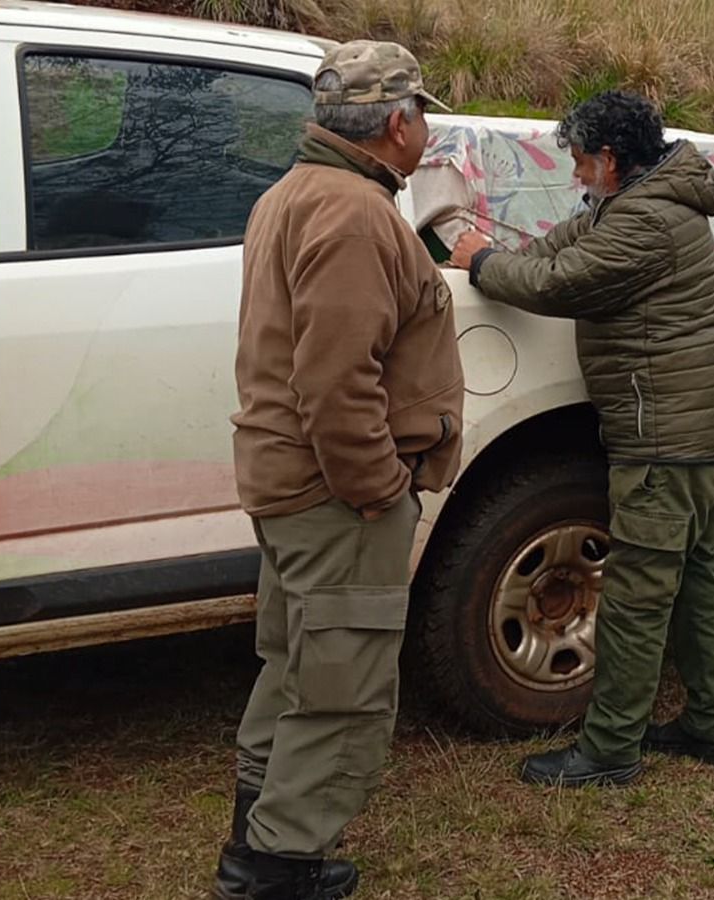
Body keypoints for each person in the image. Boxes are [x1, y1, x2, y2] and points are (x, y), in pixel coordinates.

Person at [214, 40, 463, 900]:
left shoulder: (293, 191)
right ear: (396, 122)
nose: (425, 128)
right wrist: (377, 489)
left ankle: (255, 837)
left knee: (294, 664)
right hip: (334, 494)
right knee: (342, 686)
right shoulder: (354, 213)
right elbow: (335, 380)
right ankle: (278, 868)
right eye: (421, 112)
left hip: (290, 480)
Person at [448, 90, 714, 788]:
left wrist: (481, 264)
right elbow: (562, 243)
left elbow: (561, 282)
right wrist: (499, 252)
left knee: (638, 597)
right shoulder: (643, 200)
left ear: (610, 160)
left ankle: (610, 750)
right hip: (702, 431)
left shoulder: (644, 221)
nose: (576, 173)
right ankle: (711, 724)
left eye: (582, 161)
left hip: (666, 441)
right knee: (699, 578)